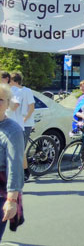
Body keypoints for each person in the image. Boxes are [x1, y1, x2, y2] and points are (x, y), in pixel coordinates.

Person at [0, 83, 25, 240]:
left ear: (8, 103)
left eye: (0, 100)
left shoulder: (13, 130)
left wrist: (11, 200)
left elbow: (15, 166)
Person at [9, 72, 34, 182]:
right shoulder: (11, 91)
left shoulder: (26, 91)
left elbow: (31, 107)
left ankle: (25, 171)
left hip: (25, 123)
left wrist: (25, 119)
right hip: (16, 123)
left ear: (14, 81)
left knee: (20, 149)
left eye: (10, 81)